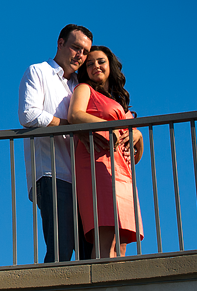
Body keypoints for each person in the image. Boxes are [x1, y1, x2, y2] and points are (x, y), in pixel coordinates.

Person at [18, 24, 94, 262]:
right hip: (52, 173)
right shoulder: (38, 72)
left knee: (89, 251)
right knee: (61, 250)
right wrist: (69, 126)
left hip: (81, 176)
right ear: (60, 43)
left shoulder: (79, 85)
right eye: (75, 47)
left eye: (85, 52)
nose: (80, 56)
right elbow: (28, 114)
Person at [68, 46, 144, 258]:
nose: (95, 66)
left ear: (110, 64)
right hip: (97, 164)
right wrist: (108, 126)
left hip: (123, 170)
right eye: (90, 63)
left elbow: (136, 150)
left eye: (100, 61)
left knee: (121, 241)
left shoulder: (118, 100)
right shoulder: (84, 89)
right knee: (106, 236)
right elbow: (74, 115)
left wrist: (139, 136)